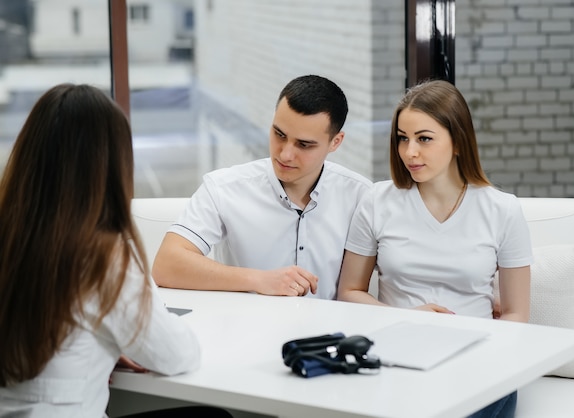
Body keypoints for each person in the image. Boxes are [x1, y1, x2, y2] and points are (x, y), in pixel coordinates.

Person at [0, 84, 231, 418]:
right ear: (109, 168)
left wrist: (100, 344)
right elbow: (179, 355)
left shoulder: (13, 235)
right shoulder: (102, 257)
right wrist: (123, 335)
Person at [337, 80, 532, 418]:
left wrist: (481, 348)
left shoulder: (503, 210)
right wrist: (403, 316)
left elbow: (517, 315)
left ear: (458, 141)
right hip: (398, 355)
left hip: (479, 363)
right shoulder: (376, 202)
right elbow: (349, 291)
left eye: (424, 139)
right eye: (403, 138)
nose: (409, 151)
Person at [152, 75, 372, 300]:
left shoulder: (361, 197)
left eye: (304, 144)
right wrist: (259, 280)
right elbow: (166, 265)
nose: (285, 154)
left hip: (335, 333)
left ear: (335, 142)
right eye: (279, 134)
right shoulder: (224, 188)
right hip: (246, 330)